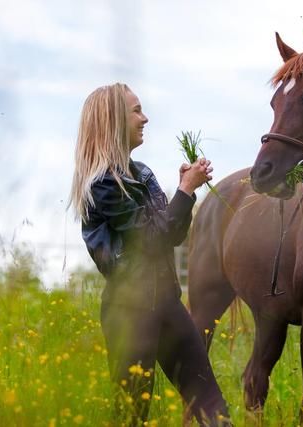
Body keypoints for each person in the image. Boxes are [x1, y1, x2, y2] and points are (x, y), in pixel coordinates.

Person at [69, 83, 230, 426]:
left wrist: (184, 192)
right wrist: (186, 191)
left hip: (168, 306)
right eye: (137, 110)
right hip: (130, 312)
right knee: (131, 417)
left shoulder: (141, 172)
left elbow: (171, 234)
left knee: (213, 409)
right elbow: (149, 240)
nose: (145, 118)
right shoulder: (103, 184)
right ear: (114, 121)